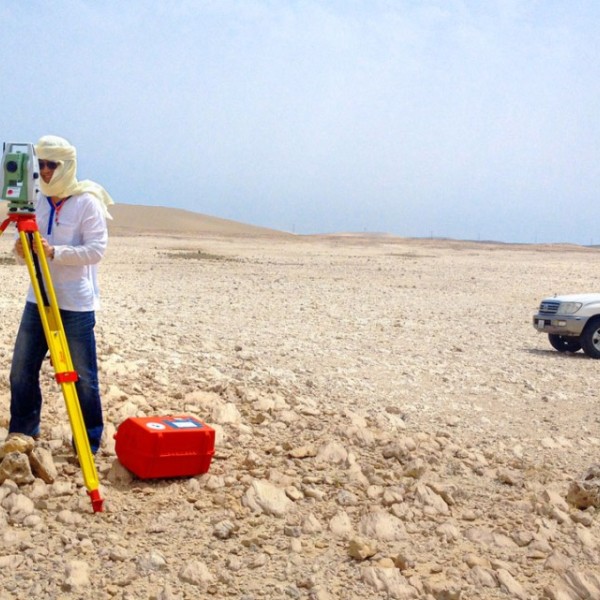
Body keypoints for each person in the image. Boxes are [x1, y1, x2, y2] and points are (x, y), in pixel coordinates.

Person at [8, 135, 114, 454]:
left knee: (83, 377)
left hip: (74, 304)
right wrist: (21, 251)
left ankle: (89, 439)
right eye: (39, 165)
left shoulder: (87, 202)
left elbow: (96, 250)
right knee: (21, 370)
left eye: (50, 164)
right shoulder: (35, 201)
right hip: (36, 299)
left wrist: (55, 252)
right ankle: (23, 432)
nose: (44, 171)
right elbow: (25, 250)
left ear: (65, 165)